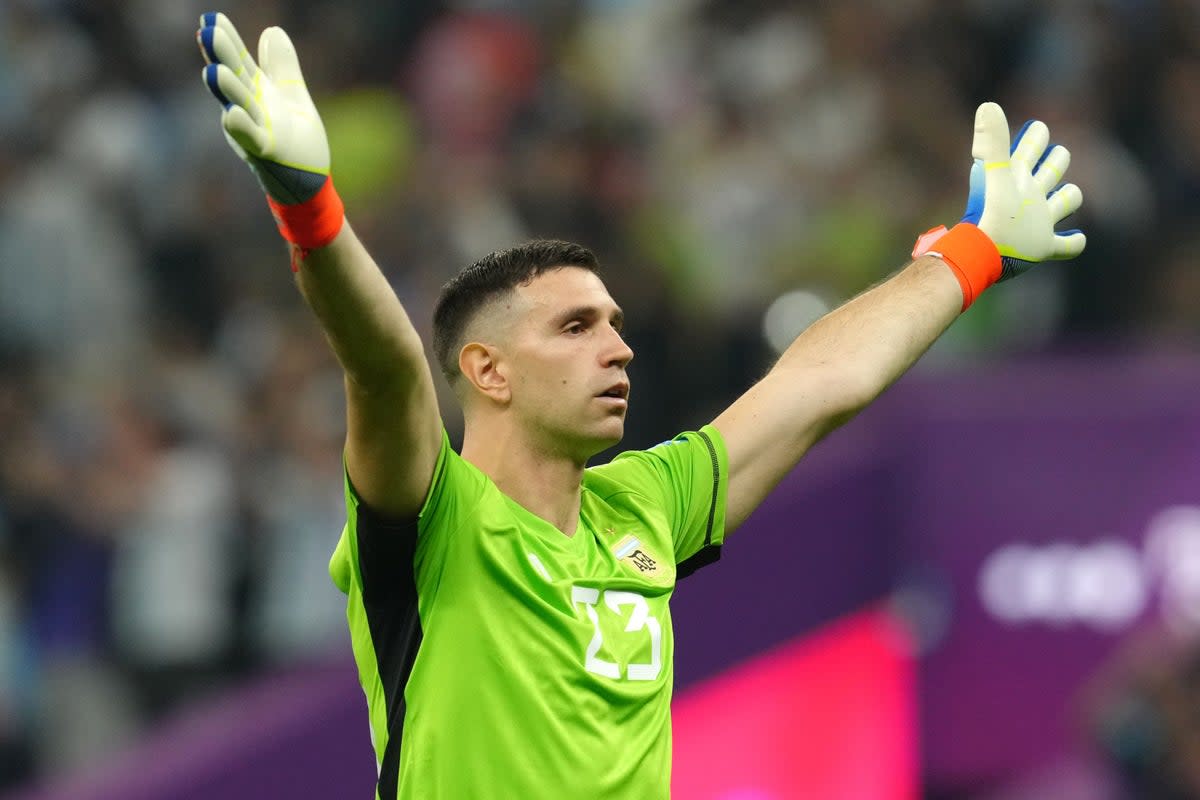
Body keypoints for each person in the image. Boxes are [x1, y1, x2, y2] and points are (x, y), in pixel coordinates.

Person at [196, 11, 1086, 799]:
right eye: (577, 327)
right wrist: (309, 205)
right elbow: (386, 369)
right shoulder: (434, 522)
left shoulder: (646, 509)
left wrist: (970, 253)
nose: (618, 348)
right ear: (488, 371)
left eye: (616, 325)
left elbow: (816, 385)